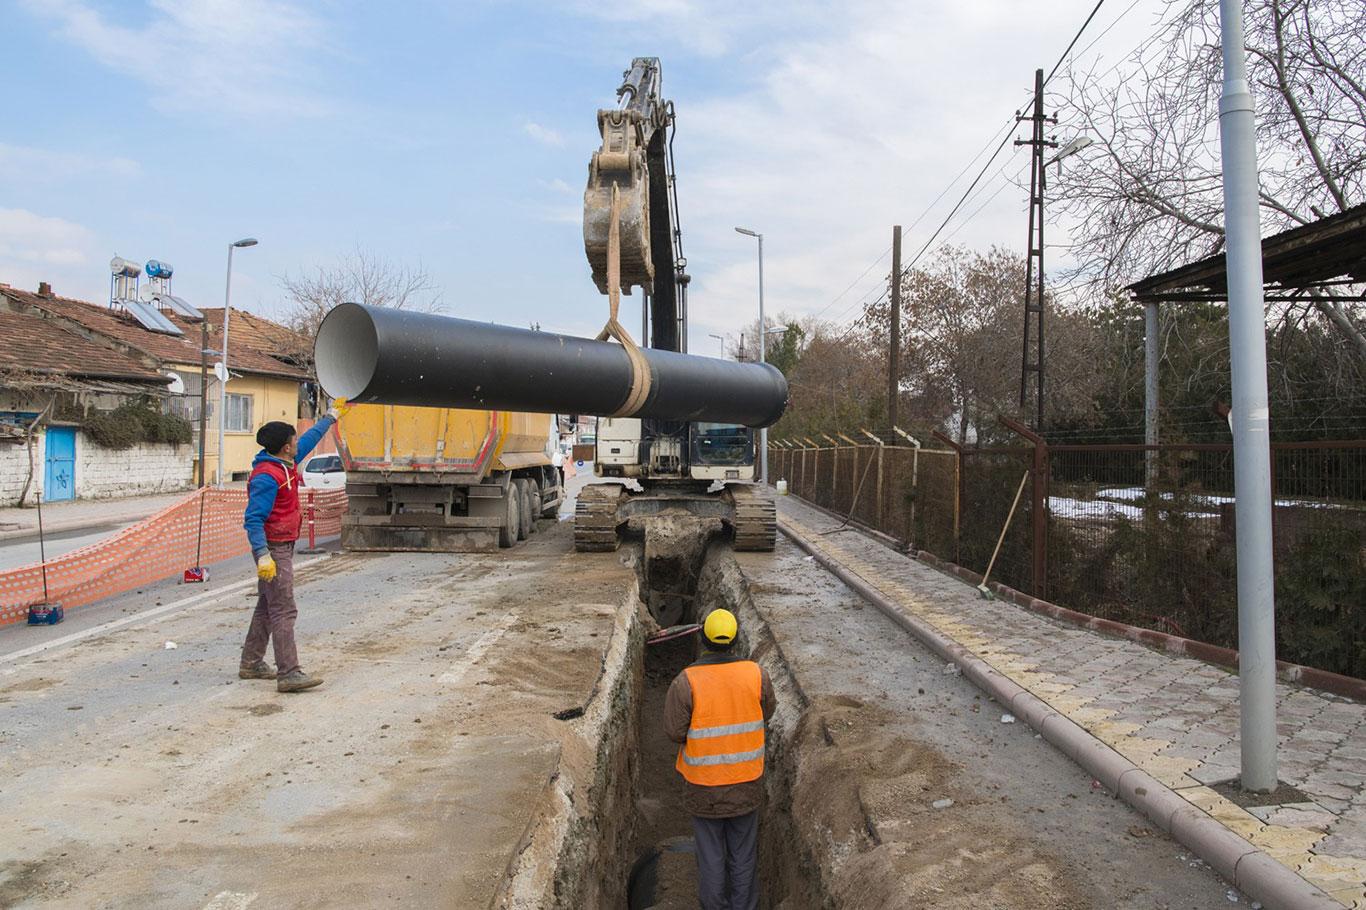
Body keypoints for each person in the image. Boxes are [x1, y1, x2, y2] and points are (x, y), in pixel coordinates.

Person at [664, 608, 776, 910]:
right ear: (736, 640)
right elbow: (766, 712)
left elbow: (674, 732)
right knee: (743, 854)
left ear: (703, 640)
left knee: (711, 856)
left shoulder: (686, 681)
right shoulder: (757, 674)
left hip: (704, 789)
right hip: (746, 785)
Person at [239, 399, 349, 693]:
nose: (298, 444)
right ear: (286, 447)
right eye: (294, 441)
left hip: (281, 545)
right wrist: (263, 555)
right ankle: (288, 672)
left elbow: (310, 439)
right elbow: (253, 519)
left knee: (268, 605)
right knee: (284, 609)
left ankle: (251, 662)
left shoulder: (283, 462)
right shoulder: (267, 476)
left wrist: (330, 417)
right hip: (273, 549)